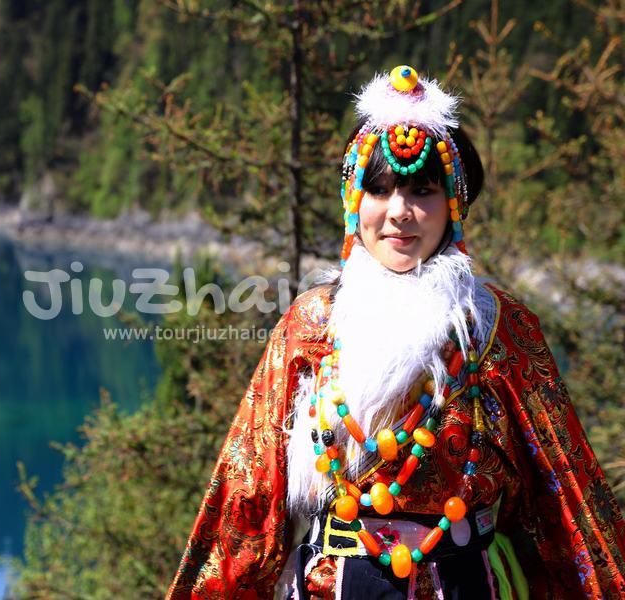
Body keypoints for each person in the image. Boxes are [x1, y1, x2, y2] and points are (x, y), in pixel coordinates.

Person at [166, 66, 625, 599]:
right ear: (354, 201)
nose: (399, 213)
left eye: (421, 191)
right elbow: (245, 497)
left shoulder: (499, 329)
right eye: (378, 190)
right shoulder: (311, 326)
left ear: (453, 203)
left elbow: (567, 502)